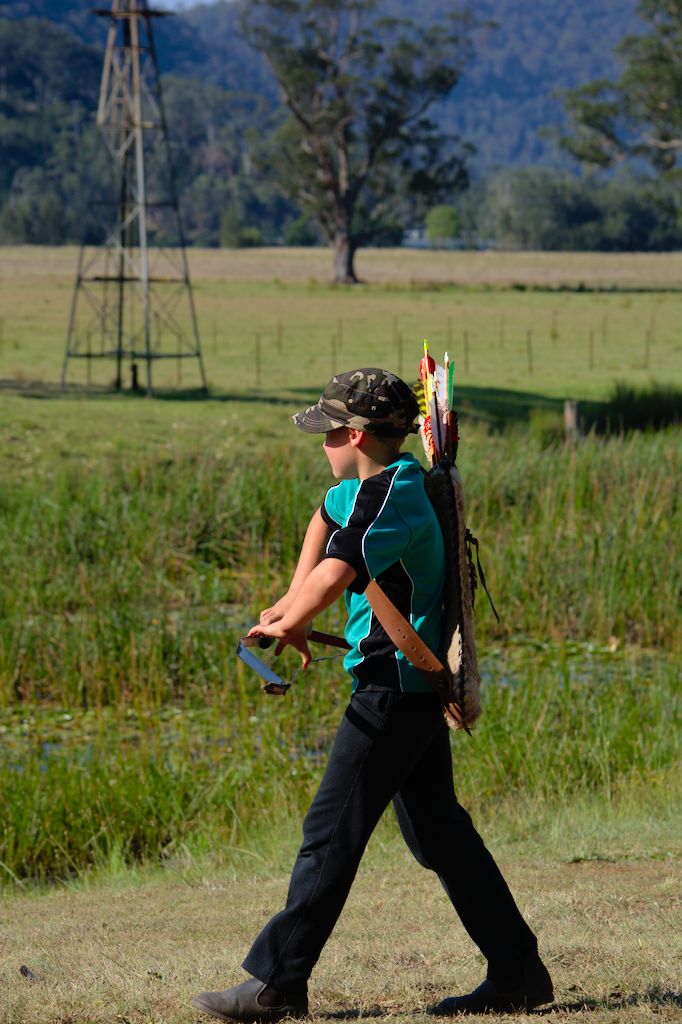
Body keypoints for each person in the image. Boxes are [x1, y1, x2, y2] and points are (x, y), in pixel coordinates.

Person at [193, 368, 553, 1022]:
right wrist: (286, 606)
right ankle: (518, 970)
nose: (321, 441)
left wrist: (300, 616)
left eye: (327, 431)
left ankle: (278, 982)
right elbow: (323, 523)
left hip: (394, 691)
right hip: (403, 691)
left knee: (329, 832)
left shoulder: (393, 499)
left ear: (354, 435)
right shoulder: (385, 484)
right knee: (439, 836)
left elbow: (338, 568)